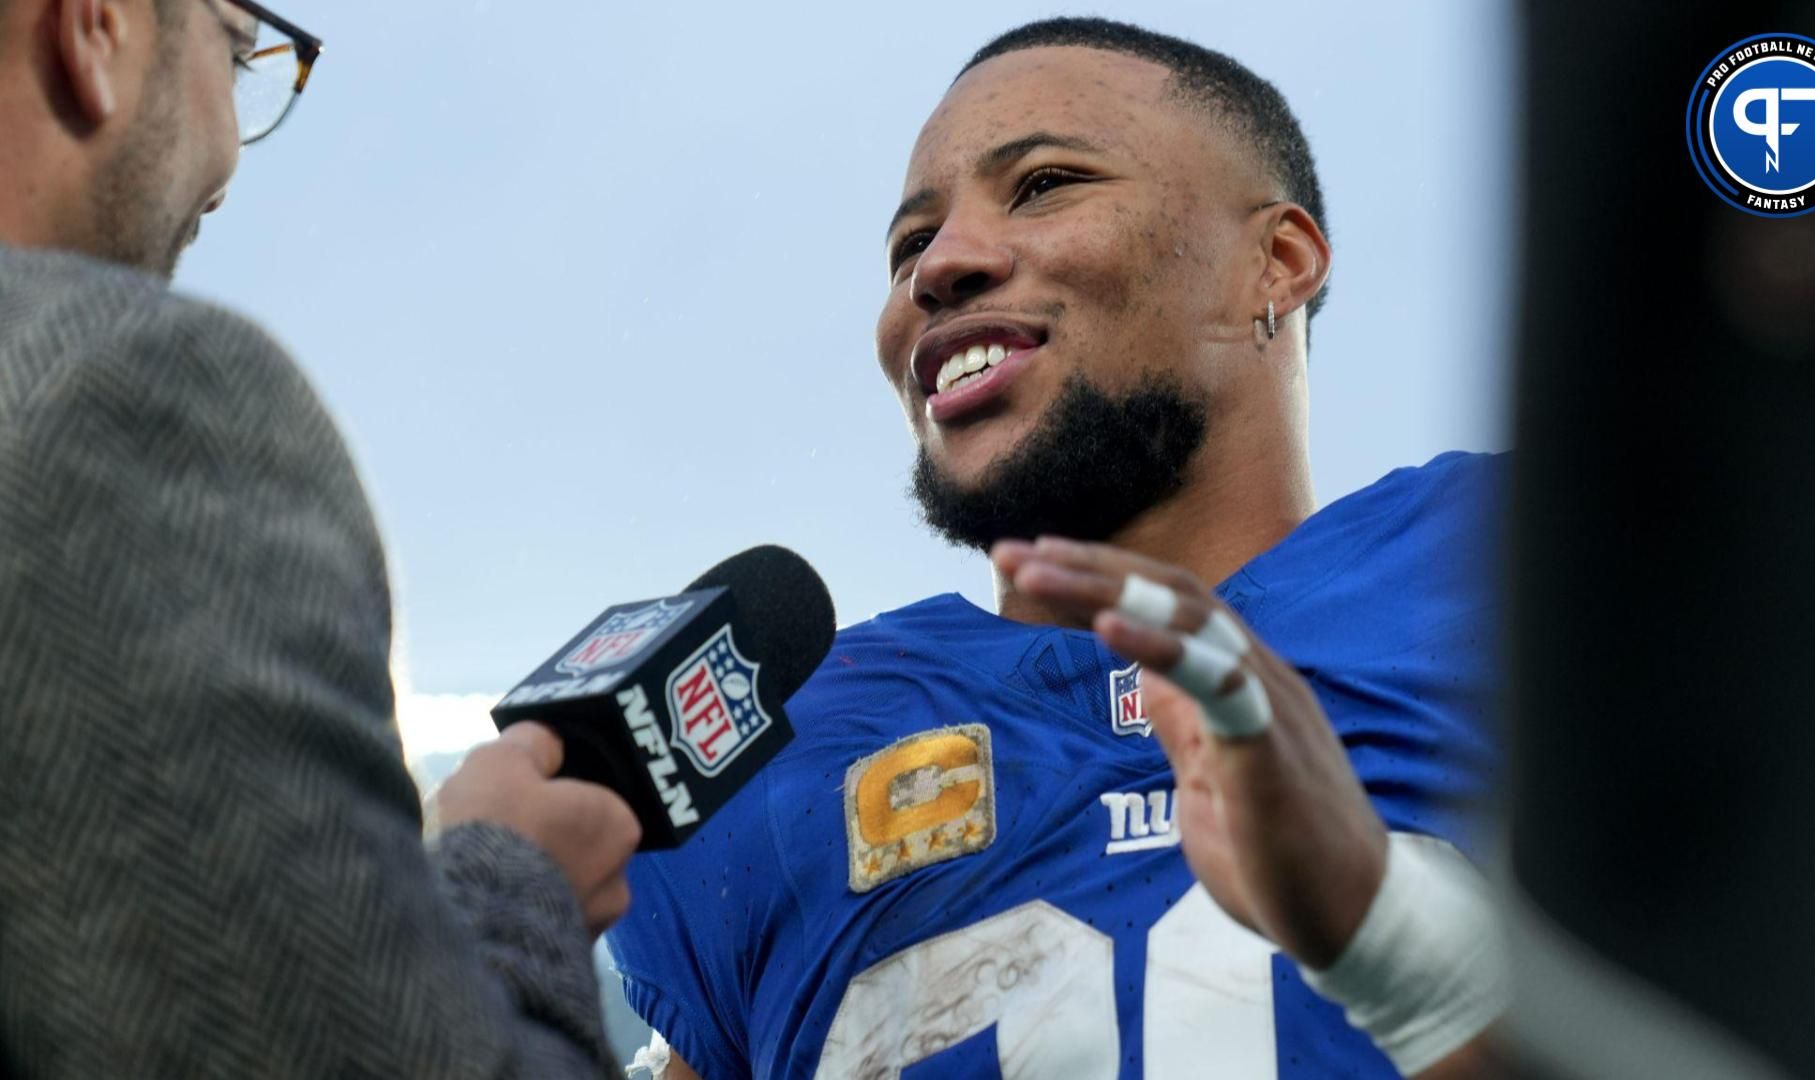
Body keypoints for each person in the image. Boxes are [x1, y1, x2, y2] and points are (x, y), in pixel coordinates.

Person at [606, 17, 1507, 1080]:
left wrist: (1401, 953)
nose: (937, 270)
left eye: (1043, 184)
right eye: (909, 246)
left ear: (1277, 262)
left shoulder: (1497, 572)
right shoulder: (789, 749)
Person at [0, 2, 639, 1076]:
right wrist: (509, 886)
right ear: (94, 29)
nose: (226, 163)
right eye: (238, 51)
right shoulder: (117, 395)